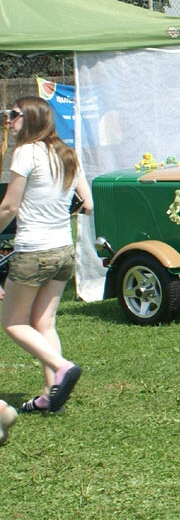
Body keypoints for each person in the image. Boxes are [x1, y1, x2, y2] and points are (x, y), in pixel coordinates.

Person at [0, 97, 93, 414]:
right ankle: (51, 395)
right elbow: (87, 204)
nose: (8, 121)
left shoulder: (26, 152)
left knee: (13, 322)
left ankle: (62, 367)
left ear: (30, 119)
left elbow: (10, 207)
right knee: (44, 322)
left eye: (13, 116)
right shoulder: (68, 154)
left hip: (33, 250)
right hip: (63, 250)